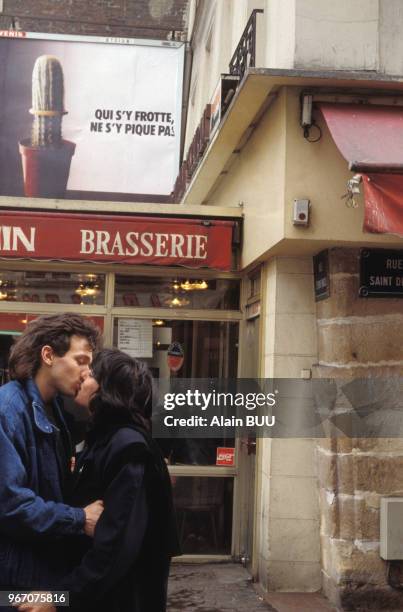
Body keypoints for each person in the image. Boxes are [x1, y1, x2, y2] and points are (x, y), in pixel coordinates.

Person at [18, 348, 181, 612]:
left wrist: (60, 598)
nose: (83, 375)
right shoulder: (106, 437)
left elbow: (116, 546)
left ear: (108, 389)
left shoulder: (129, 447)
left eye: (92, 373)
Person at [0, 313, 104, 602]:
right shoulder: (6, 410)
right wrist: (79, 518)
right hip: (15, 583)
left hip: (44, 571)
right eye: (81, 360)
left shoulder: (57, 409)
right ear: (48, 355)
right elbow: (10, 505)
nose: (87, 373)